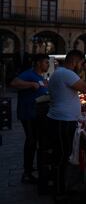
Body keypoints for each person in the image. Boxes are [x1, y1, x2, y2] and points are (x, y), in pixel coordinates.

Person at [46, 50, 86, 200]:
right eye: (81, 63)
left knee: (61, 154)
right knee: (62, 156)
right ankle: (59, 191)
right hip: (63, 121)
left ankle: (59, 186)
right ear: (75, 61)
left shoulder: (60, 73)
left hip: (61, 120)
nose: (81, 66)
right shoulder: (66, 73)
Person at [10, 54, 49, 184]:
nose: (47, 65)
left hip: (37, 114)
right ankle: (27, 173)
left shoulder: (40, 77)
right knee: (31, 141)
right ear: (38, 63)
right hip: (28, 114)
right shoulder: (29, 74)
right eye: (45, 62)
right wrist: (31, 84)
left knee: (34, 141)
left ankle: (31, 168)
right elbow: (14, 83)